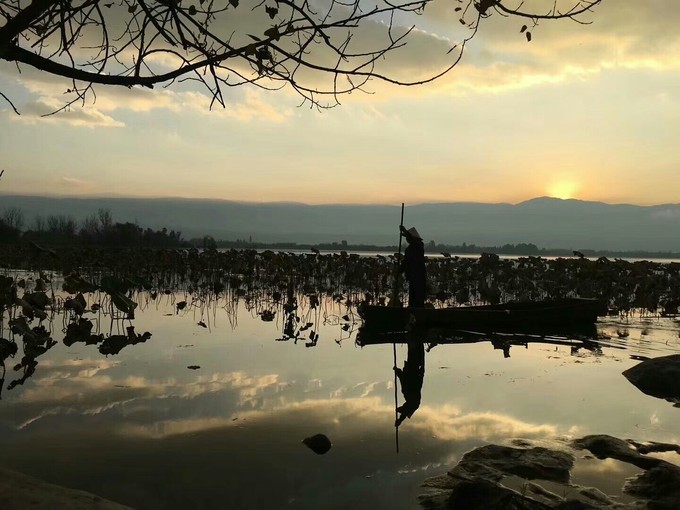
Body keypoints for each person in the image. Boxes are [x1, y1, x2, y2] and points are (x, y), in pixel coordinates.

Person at [394, 341, 425, 427]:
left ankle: (414, 340)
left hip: (414, 370)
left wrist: (398, 372)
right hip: (415, 370)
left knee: (413, 351)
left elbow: (403, 380)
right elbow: (407, 410)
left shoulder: (407, 395)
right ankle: (415, 339)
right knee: (415, 351)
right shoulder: (413, 400)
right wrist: (400, 420)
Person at [400, 225, 426, 308]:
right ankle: (411, 312)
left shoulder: (419, 246)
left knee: (419, 297)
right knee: (412, 298)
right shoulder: (408, 250)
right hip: (411, 276)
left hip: (419, 275)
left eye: (408, 237)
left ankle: (419, 313)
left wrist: (405, 231)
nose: (407, 239)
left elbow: (414, 242)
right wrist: (399, 271)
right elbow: (405, 262)